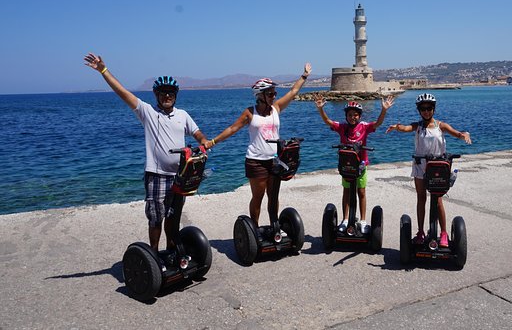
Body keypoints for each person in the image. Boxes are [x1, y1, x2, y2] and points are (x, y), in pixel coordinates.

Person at [83, 53, 208, 253]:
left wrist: (202, 142)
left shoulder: (182, 115)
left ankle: (171, 252)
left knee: (173, 217)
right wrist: (103, 71)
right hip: (156, 176)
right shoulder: (148, 112)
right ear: (157, 95)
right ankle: (154, 254)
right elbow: (123, 93)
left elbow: (197, 132)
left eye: (170, 93)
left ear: (175, 95)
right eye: (163, 92)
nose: (167, 96)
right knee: (156, 218)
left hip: (179, 176)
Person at [206, 63, 312, 226]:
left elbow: (293, 92)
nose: (274, 96)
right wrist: (212, 142)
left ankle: (274, 226)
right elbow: (232, 128)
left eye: (274, 93)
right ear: (260, 95)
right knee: (258, 196)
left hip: (275, 160)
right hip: (256, 161)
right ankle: (253, 229)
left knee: (273, 196)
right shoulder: (250, 112)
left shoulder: (276, 108)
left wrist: (304, 76)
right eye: (270, 93)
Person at [386, 93, 471, 247]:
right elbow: (406, 128)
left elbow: (456, 133)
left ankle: (443, 233)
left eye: (429, 108)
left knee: (438, 200)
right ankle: (420, 232)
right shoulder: (418, 126)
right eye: (423, 108)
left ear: (433, 109)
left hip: (438, 167)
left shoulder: (440, 126)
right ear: (419, 110)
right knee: (421, 199)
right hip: (420, 166)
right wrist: (397, 127)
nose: (426, 111)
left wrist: (463, 135)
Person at [314, 93, 394, 234]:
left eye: (355, 115)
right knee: (346, 192)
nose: (353, 117)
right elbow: (328, 121)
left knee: (361, 192)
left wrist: (384, 110)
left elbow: (378, 123)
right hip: (346, 166)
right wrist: (321, 109)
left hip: (361, 165)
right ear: (347, 116)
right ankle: (345, 220)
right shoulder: (342, 127)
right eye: (350, 115)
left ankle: (363, 221)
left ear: (359, 116)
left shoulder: (363, 127)